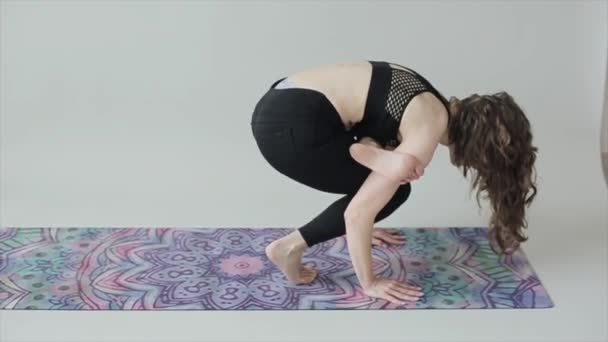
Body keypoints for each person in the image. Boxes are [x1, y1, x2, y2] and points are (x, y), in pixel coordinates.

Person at [250, 60, 538, 305]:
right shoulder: (426, 132)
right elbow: (357, 213)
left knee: (381, 181)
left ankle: (365, 170)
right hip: (288, 129)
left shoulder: (430, 102)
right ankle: (288, 247)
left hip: (279, 102)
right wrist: (370, 282)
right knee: (395, 189)